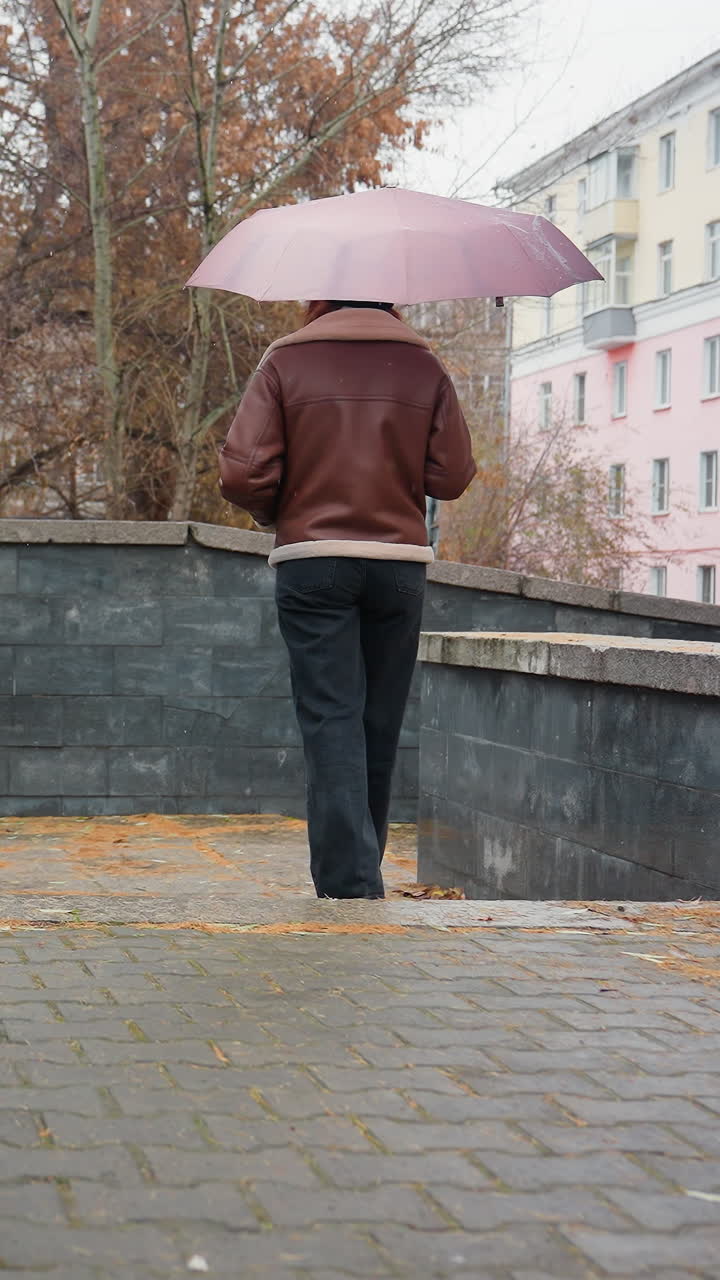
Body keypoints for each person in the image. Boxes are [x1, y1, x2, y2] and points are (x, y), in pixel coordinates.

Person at [218, 299, 476, 899]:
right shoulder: (422, 364)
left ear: (318, 293)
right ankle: (362, 870)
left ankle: (350, 886)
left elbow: (242, 474)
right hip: (399, 566)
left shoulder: (285, 360)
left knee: (331, 719)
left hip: (314, 562)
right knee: (378, 723)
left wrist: (277, 513)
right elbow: (452, 475)